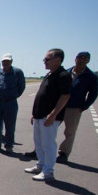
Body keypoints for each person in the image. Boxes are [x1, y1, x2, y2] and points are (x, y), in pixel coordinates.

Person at [25, 48, 71, 182]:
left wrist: (53, 114)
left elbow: (65, 96)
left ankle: (48, 171)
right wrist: (34, 113)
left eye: (47, 59)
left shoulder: (63, 75)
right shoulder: (50, 74)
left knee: (48, 144)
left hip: (49, 117)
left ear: (58, 59)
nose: (44, 62)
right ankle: (41, 165)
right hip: (40, 115)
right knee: (38, 142)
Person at [57, 51, 98, 162]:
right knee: (49, 128)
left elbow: (93, 94)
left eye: (85, 58)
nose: (81, 60)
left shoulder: (91, 76)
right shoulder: (66, 72)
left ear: (88, 61)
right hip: (59, 106)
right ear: (75, 59)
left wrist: (84, 106)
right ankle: (41, 150)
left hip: (74, 108)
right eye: (80, 57)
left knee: (70, 132)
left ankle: (63, 153)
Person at [0, 54, 25, 153]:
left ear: (11, 62)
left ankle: (8, 145)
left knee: (10, 125)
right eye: (4, 61)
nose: (5, 63)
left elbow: (21, 87)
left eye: (7, 61)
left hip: (10, 103)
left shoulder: (17, 72)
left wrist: (13, 96)